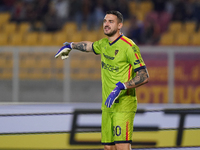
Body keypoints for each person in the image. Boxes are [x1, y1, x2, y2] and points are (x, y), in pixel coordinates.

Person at [55, 10, 149, 150]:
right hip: (107, 105)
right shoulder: (104, 44)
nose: (106, 24)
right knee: (108, 148)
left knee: (121, 146)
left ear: (119, 25)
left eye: (111, 21)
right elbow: (89, 46)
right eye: (105, 21)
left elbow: (144, 75)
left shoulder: (129, 46)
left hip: (123, 105)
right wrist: (71, 45)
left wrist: (122, 86)